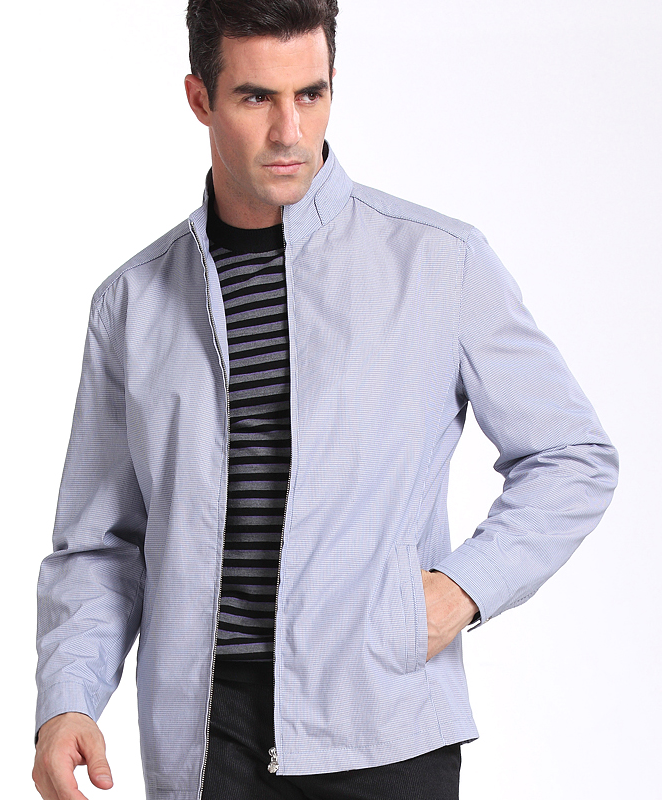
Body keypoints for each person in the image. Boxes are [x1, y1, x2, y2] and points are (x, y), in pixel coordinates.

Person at [32, 1, 618, 798]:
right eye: (256, 98)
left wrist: (463, 590)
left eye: (310, 94)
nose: (290, 131)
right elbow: (99, 546)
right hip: (209, 741)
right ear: (201, 98)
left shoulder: (438, 262)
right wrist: (68, 699)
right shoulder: (132, 304)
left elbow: (573, 456)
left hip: (385, 729)